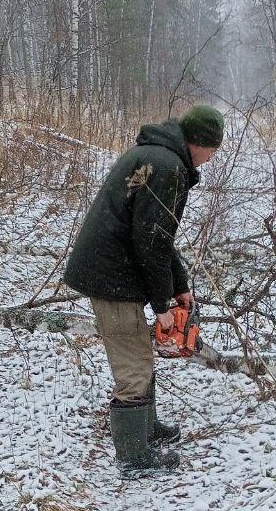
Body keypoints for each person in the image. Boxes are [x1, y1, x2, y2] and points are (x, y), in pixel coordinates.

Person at [63, 105, 224, 471]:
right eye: (213, 150)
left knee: (139, 352)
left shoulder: (157, 155)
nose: (211, 159)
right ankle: (134, 458)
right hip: (111, 274)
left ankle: (147, 430)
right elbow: (150, 240)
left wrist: (179, 286)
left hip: (119, 268)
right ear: (199, 143)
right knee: (133, 363)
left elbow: (160, 235)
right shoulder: (167, 167)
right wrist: (162, 303)